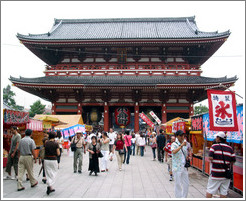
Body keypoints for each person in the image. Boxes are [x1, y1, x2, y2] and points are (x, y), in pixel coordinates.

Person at [206, 132, 236, 198]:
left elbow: (210, 157)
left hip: (215, 174)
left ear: (219, 138)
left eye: (216, 137)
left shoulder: (214, 146)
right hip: (226, 175)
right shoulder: (230, 148)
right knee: (223, 193)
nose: (216, 138)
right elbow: (233, 160)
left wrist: (217, 161)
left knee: (210, 191)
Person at [171, 130, 189, 198]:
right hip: (177, 167)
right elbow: (174, 152)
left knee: (186, 183)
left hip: (183, 166)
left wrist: (187, 156)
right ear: (177, 136)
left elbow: (184, 153)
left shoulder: (184, 144)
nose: (182, 137)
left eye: (183, 136)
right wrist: (181, 146)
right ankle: (178, 197)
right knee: (178, 184)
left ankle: (184, 197)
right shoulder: (174, 144)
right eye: (181, 136)